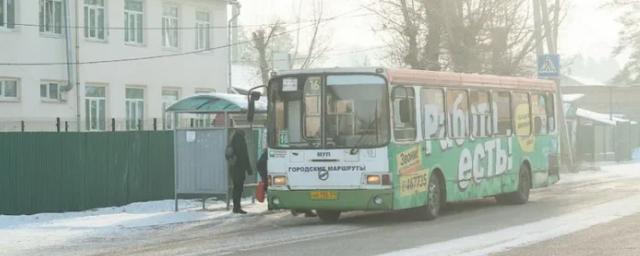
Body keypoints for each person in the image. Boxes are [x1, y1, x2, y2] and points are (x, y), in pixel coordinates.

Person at [229, 130, 253, 214]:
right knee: (238, 189)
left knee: (236, 188)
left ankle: (236, 207)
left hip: (233, 169)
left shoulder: (232, 141)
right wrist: (249, 169)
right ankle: (237, 207)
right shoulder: (241, 142)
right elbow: (244, 156)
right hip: (239, 169)